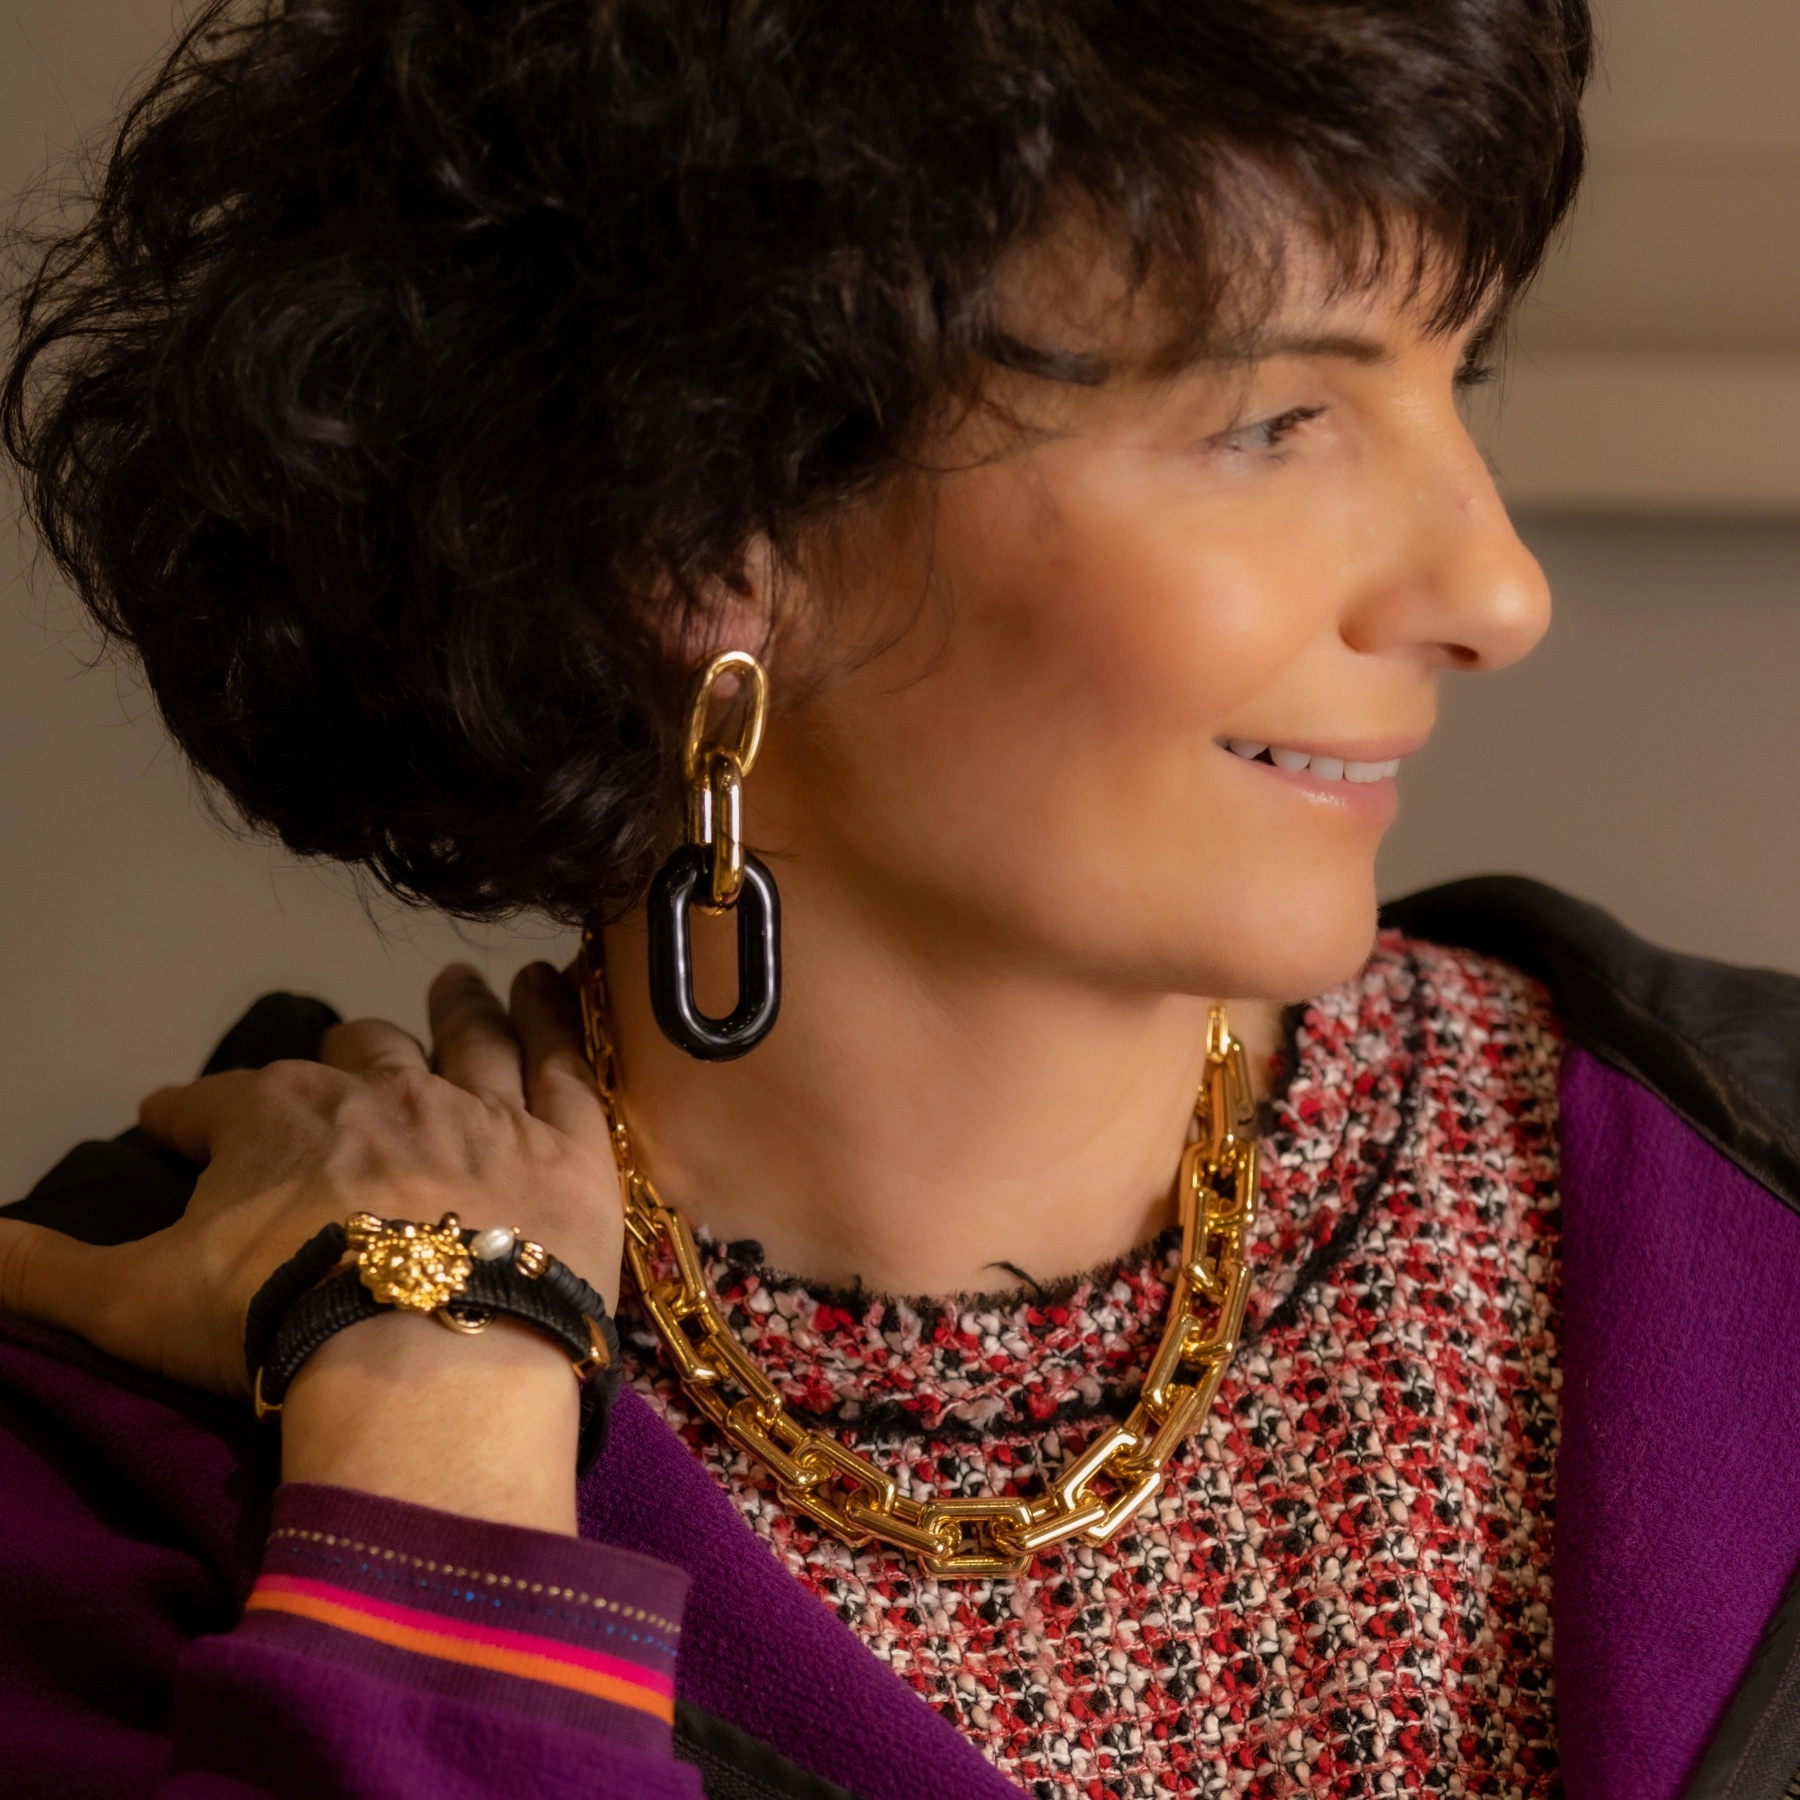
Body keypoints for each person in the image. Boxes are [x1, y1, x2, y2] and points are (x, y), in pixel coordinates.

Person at [3, 2, 1798, 1798]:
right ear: (698, 522)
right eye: (1274, 422)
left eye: (1458, 376)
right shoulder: (115, 1469)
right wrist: (434, 1414)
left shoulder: (1744, 1200)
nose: (1498, 590)